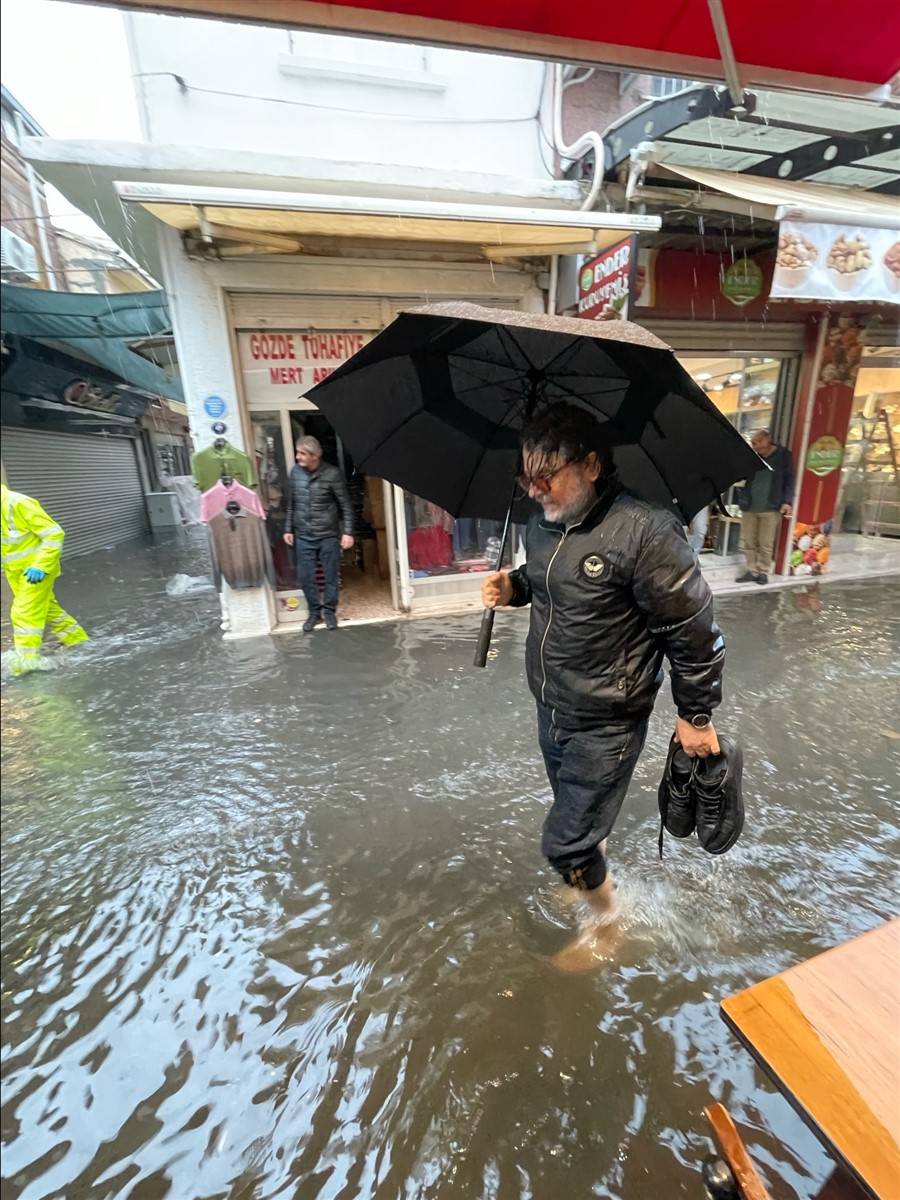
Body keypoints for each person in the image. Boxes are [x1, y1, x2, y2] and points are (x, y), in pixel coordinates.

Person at [481, 404, 724, 970]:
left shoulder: (646, 530)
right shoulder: (542, 524)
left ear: (591, 465)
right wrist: (513, 587)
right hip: (552, 708)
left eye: (547, 475)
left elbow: (693, 629)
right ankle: (590, 869)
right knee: (582, 824)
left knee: (564, 841)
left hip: (608, 720)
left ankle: (607, 919)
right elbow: (544, 581)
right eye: (526, 477)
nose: (535, 490)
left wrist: (695, 715)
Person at [1, 481, 89, 676]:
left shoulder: (19, 502)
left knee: (23, 612)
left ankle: (26, 662)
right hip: (15, 572)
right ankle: (77, 639)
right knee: (49, 610)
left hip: (35, 572)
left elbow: (54, 534)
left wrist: (40, 566)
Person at [282, 436, 354, 631]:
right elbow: (292, 504)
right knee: (306, 577)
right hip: (303, 535)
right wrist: (288, 528)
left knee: (331, 576)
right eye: (298, 452)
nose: (297, 457)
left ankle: (329, 612)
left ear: (314, 456)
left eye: (302, 453)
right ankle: (314, 613)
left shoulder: (332, 474)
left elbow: (346, 505)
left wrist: (348, 532)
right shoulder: (295, 473)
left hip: (328, 535)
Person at [736, 429, 794, 585]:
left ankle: (763, 571)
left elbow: (789, 480)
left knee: (765, 543)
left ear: (768, 439)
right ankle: (751, 570)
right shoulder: (753, 456)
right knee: (749, 541)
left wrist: (787, 501)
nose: (756, 446)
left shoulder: (783, 455)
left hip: (771, 506)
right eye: (753, 443)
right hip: (749, 506)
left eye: (758, 442)